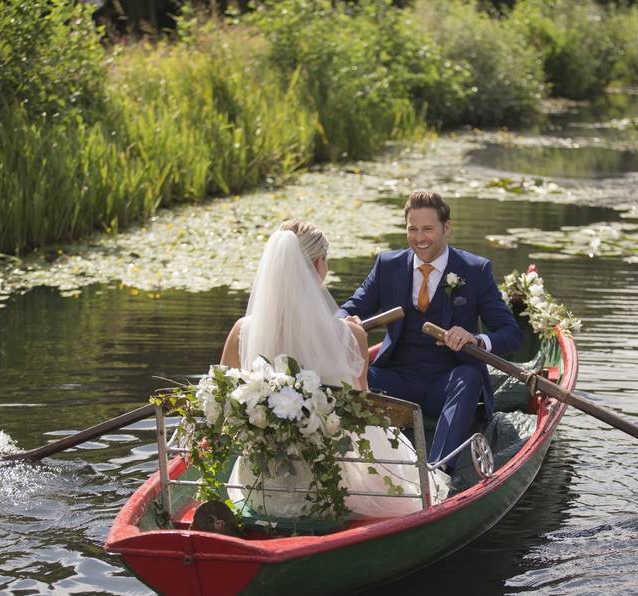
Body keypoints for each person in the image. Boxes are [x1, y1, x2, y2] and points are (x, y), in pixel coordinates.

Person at [218, 219, 450, 519]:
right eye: (325, 261)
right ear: (317, 264)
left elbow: (225, 400)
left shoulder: (242, 331)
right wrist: (350, 334)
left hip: (259, 486)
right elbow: (361, 411)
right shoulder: (351, 336)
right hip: (329, 488)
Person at [338, 191, 522, 469]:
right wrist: (340, 321)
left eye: (428, 229)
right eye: (412, 229)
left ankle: (436, 470)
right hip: (396, 380)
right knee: (353, 377)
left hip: (447, 383)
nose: (419, 238)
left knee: (469, 377)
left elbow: (511, 334)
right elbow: (353, 306)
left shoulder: (475, 270)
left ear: (446, 228)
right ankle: (355, 466)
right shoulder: (387, 266)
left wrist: (477, 339)